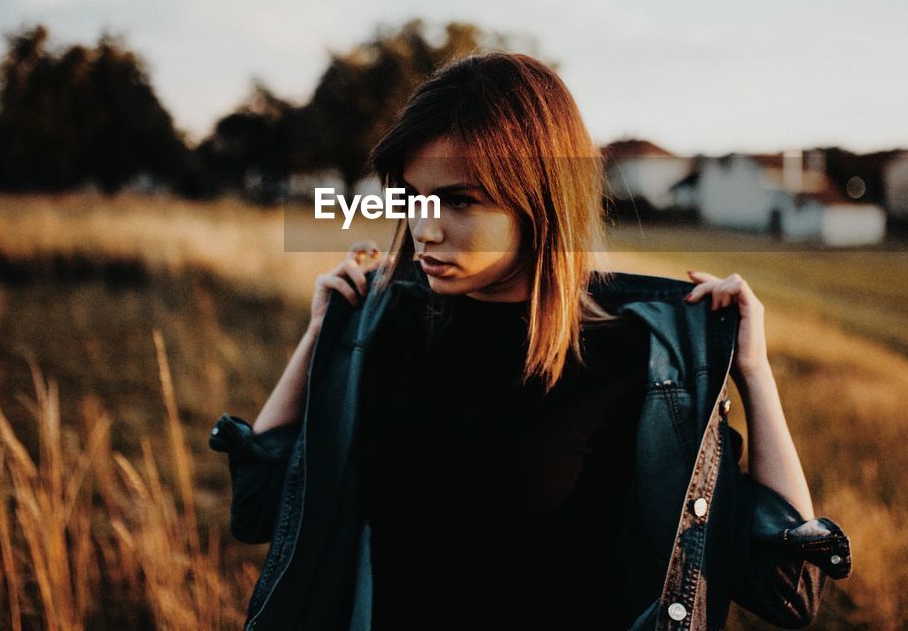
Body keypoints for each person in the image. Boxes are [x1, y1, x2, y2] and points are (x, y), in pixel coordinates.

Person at [210, 53, 850, 630]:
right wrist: (322, 335)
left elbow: (785, 589)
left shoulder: (644, 360)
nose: (423, 229)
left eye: (459, 202)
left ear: (538, 201)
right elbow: (259, 510)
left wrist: (755, 375)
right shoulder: (381, 334)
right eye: (412, 198)